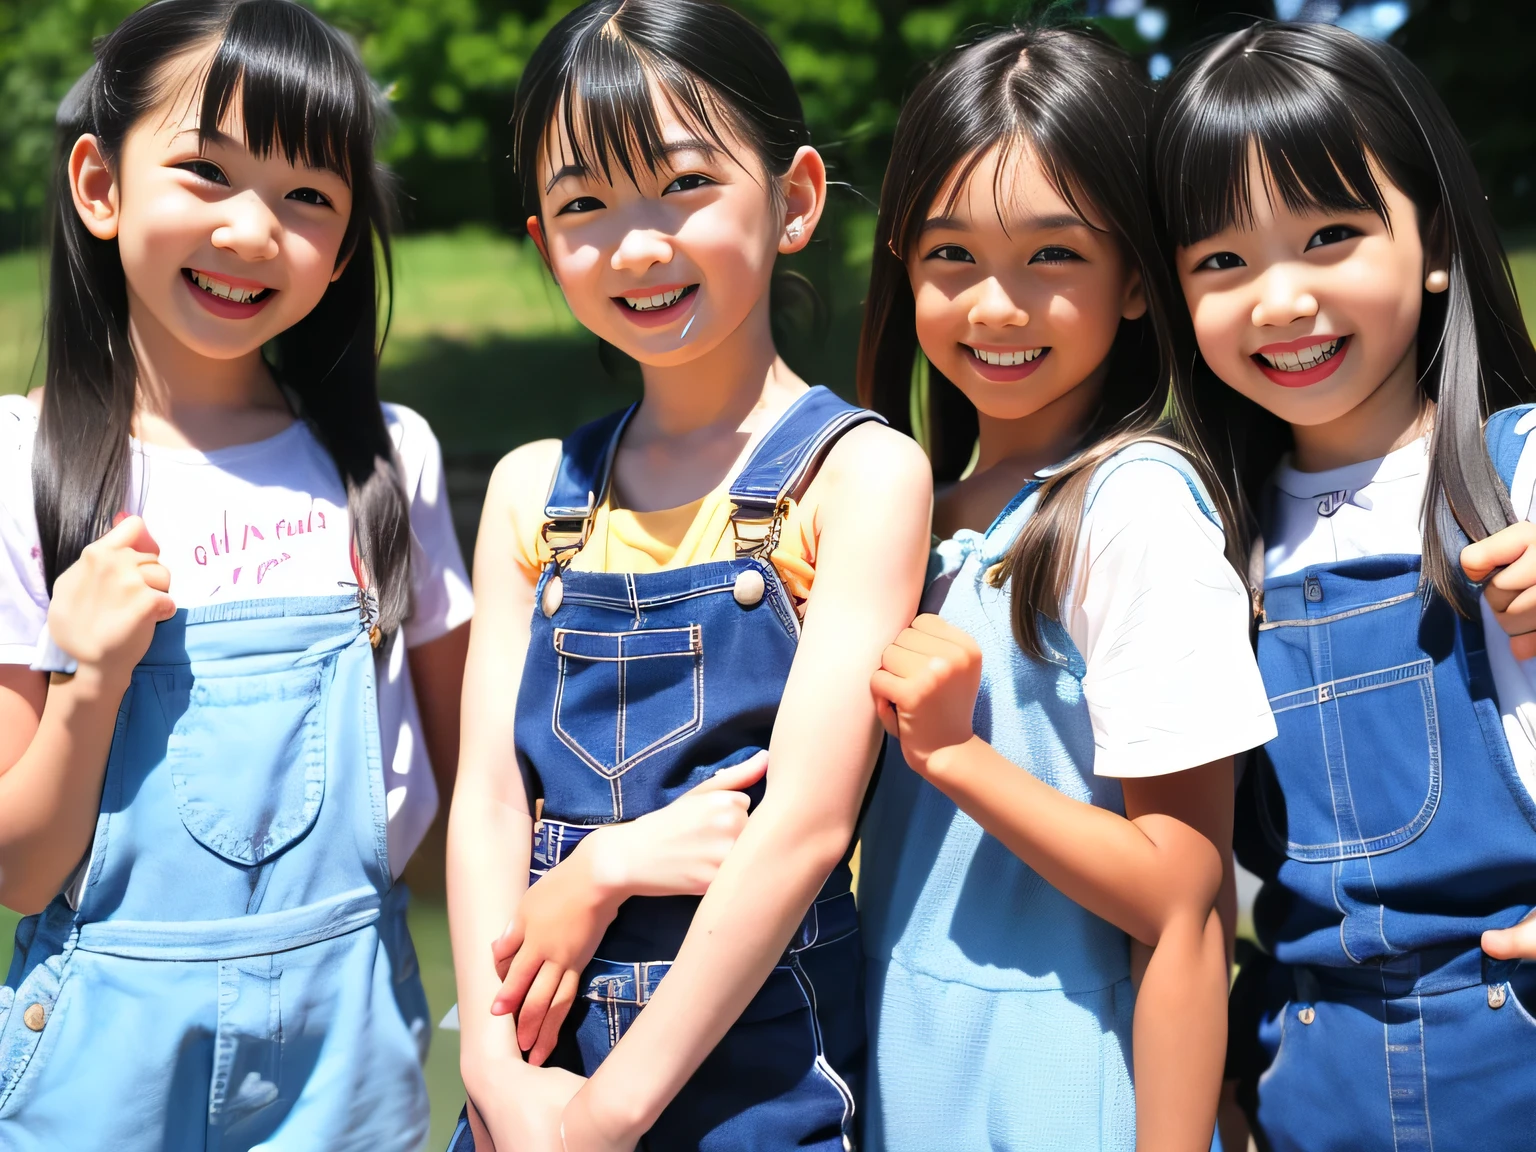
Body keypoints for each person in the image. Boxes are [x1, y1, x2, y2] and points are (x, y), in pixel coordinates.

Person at [443, 2, 931, 1149]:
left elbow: (806, 827)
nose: (638, 244)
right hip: (532, 1066)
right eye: (584, 207)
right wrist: (493, 1072)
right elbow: (487, 801)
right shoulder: (532, 490)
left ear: (797, 197)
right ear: (542, 240)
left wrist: (609, 1116)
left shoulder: (858, 475)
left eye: (684, 185)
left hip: (756, 1083)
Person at [0, 2, 471, 1147]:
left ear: (348, 242)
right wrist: (89, 679)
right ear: (101, 187)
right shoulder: (24, 464)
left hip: (350, 1051)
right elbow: (20, 868)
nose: (254, 231)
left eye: (309, 195)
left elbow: (469, 807)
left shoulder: (385, 461)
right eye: (205, 172)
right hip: (100, 1062)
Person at [855, 25, 1276, 1152]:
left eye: (1052, 255)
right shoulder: (908, 506)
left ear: (1137, 279)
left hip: (1062, 1087)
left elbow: (1184, 908)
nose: (996, 306)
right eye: (951, 256)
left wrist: (957, 757)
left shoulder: (1132, 507)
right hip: (898, 1063)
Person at [1151, 21, 1536, 1151]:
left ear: (1433, 241)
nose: (1279, 300)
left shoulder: (1520, 469)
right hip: (1306, 1087)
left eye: (1328, 236)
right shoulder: (1201, 535)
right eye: (1222, 261)